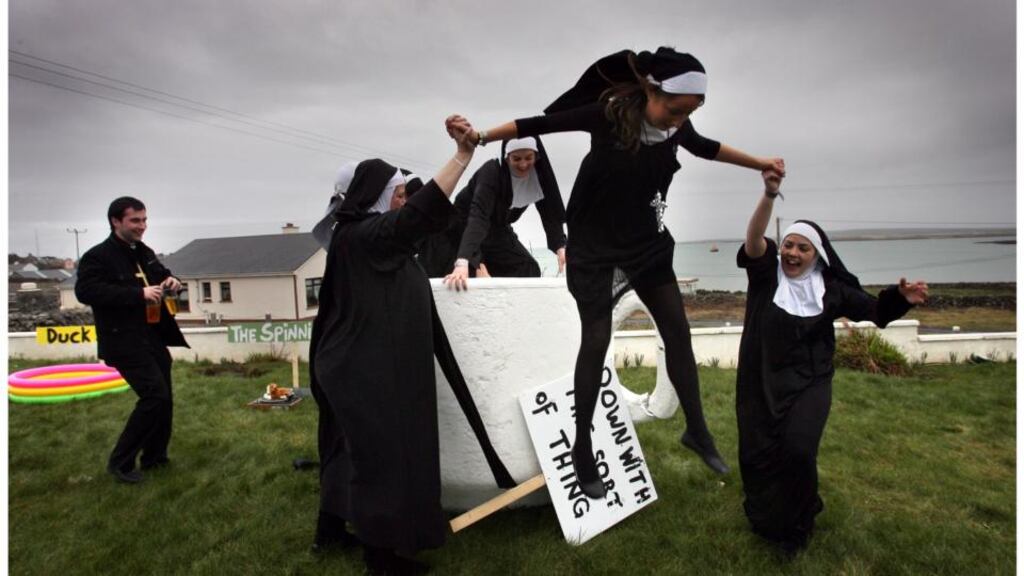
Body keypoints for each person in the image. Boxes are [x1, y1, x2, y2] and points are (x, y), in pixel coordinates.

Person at [450, 47, 785, 498]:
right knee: (596, 339)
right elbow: (536, 125)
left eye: (689, 112)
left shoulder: (677, 125)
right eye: (673, 108)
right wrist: (482, 136)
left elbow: (707, 148)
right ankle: (582, 447)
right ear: (651, 89)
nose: (678, 120)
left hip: (646, 242)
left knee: (678, 332)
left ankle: (698, 429)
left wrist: (760, 163)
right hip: (595, 246)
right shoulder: (608, 115)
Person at [308, 118, 477, 575]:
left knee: (347, 453)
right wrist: (461, 157)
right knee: (381, 462)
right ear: (378, 196)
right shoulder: (367, 236)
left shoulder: (356, 237)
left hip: (352, 364)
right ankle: (381, 559)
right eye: (397, 193)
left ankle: (329, 533)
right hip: (367, 372)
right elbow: (422, 213)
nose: (402, 199)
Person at [736, 169, 928, 554]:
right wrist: (769, 195)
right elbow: (755, 238)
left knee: (799, 451)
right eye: (788, 245)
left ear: (816, 255)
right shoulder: (765, 277)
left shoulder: (832, 289)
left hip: (810, 382)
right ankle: (769, 519)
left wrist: (901, 297)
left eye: (802, 248)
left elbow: (875, 310)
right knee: (758, 454)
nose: (792, 253)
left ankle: (801, 524)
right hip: (761, 382)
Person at [75, 196, 189, 484]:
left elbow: (163, 275)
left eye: (144, 220)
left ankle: (154, 457)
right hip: (122, 341)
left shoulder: (144, 251)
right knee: (154, 396)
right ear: (116, 221)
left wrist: (172, 281)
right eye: (135, 221)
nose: (142, 226)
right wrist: (137, 295)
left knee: (165, 399)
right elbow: (86, 291)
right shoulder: (97, 256)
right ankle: (120, 463)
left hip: (152, 336)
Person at [430, 136, 566, 282]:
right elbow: (479, 217)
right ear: (506, 158)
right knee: (473, 273)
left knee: (527, 268)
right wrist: (464, 261)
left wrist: (560, 247)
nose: (523, 164)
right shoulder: (491, 173)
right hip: (463, 227)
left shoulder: (538, 178)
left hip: (497, 230)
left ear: (537, 156)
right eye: (516, 159)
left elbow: (549, 212)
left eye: (528, 158)